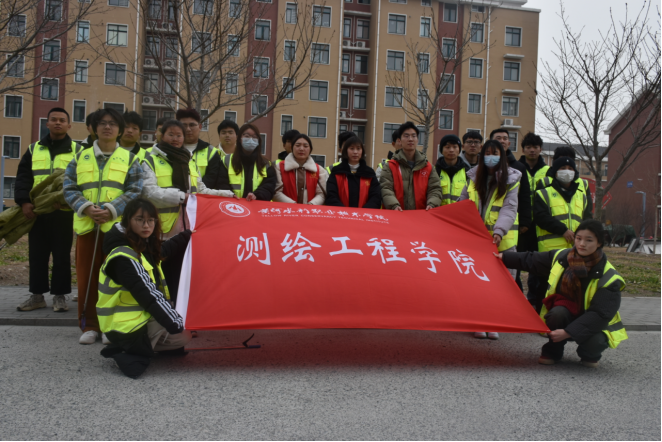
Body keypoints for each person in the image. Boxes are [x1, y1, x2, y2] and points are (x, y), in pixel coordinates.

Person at [497, 220, 628, 368]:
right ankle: (553, 351)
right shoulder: (562, 257)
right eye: (578, 238)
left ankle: (589, 354)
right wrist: (504, 257)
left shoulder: (610, 277)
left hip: (594, 322)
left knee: (596, 341)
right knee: (557, 313)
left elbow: (599, 315)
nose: (582, 244)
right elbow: (531, 259)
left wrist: (568, 332)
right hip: (566, 313)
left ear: (599, 243)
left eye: (589, 240)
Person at [63, 108, 144, 345]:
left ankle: (111, 326)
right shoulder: (80, 157)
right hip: (87, 227)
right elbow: (69, 187)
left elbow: (135, 189)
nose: (107, 127)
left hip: (116, 230)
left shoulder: (130, 159)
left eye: (113, 124)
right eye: (102, 123)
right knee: (87, 278)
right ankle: (90, 325)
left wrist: (110, 210)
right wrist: (87, 207)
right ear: (93, 128)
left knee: (115, 278)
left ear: (119, 130)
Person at [98, 198, 192, 379]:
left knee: (183, 337)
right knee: (180, 331)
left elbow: (162, 252)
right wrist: (175, 321)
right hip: (124, 325)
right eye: (140, 220)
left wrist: (187, 235)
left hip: (135, 319)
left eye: (151, 220)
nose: (146, 225)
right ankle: (130, 349)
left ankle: (137, 345)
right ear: (128, 220)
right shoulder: (123, 256)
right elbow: (149, 295)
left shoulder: (140, 244)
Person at [142, 119, 234, 302]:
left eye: (179, 135)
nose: (175, 139)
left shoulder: (189, 160)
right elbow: (149, 193)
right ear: (161, 135)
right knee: (162, 279)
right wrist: (181, 197)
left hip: (188, 230)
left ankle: (181, 313)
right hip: (162, 231)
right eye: (171, 134)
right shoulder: (150, 160)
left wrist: (227, 195)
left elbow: (200, 190)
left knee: (183, 278)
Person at [14, 107, 83, 313]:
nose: (57, 123)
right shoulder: (33, 149)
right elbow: (23, 177)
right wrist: (24, 202)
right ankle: (37, 296)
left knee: (61, 256)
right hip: (37, 212)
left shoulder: (78, 151)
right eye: (54, 119)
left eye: (62, 120)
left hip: (63, 213)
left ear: (69, 125)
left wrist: (68, 203)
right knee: (37, 255)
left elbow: (83, 180)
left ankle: (60, 296)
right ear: (47, 123)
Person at [459, 139, 521, 341]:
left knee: (500, 284)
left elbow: (509, 208)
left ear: (502, 156)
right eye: (487, 153)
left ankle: (493, 322)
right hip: (475, 241)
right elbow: (462, 204)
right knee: (476, 282)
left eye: (495, 153)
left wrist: (499, 231)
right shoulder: (472, 177)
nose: (491, 157)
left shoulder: (512, 179)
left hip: (501, 241)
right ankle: (478, 321)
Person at [490, 128, 532, 292]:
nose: (502, 141)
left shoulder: (519, 167)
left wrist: (525, 222)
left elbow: (525, 195)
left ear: (509, 143)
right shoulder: (485, 165)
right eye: (498, 138)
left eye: (505, 138)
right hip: (488, 228)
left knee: (512, 271)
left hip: (511, 228)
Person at [379, 122, 442, 211]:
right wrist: (394, 205)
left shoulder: (428, 167)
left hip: (421, 216)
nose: (410, 139)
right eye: (406, 136)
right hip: (396, 215)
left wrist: (432, 204)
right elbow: (386, 189)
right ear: (400, 140)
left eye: (413, 136)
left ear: (417, 140)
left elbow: (435, 189)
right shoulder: (390, 166)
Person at [519, 132, 550, 309]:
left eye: (535, 147)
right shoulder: (516, 168)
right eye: (528, 147)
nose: (532, 150)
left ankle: (534, 303)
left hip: (540, 226)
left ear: (540, 149)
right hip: (519, 226)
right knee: (516, 263)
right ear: (523, 149)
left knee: (537, 266)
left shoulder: (548, 172)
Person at [535, 157, 591, 253]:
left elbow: (587, 218)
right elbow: (541, 217)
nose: (567, 171)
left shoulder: (582, 196)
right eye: (563, 168)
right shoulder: (543, 193)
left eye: (570, 168)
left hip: (575, 250)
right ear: (555, 172)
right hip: (550, 251)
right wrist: (563, 230)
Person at [214, 123, 277, 201]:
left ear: (258, 141)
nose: (251, 140)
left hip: (258, 205)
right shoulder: (226, 161)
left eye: (254, 137)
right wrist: (231, 196)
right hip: (233, 204)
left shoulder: (267, 164)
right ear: (239, 139)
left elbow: (269, 187)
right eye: (247, 136)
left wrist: (256, 195)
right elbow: (221, 184)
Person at [325, 136, 382, 209]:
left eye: (358, 148)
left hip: (364, 214)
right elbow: (331, 197)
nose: (355, 152)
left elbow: (375, 198)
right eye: (352, 148)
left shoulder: (369, 173)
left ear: (362, 151)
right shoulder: (336, 172)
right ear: (346, 151)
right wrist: (345, 212)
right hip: (341, 214)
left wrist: (363, 212)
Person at [537, 146, 593, 215]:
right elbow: (539, 211)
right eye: (562, 160)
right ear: (555, 161)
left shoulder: (583, 183)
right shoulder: (545, 182)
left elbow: (588, 211)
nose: (566, 161)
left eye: (569, 159)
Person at [274, 134, 328, 205]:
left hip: (310, 211)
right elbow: (276, 192)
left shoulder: (319, 170)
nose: (301, 149)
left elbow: (322, 194)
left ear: (310, 149)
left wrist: (311, 205)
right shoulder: (279, 167)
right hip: (286, 210)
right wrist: (294, 206)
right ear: (292, 148)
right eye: (297, 145)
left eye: (305, 146)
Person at [176, 108, 220, 186]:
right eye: (184, 125)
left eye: (192, 125)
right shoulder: (172, 150)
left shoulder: (211, 152)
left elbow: (212, 179)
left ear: (200, 127)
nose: (188, 129)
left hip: (202, 193)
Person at [435, 134, 470, 206]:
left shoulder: (467, 171)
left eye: (455, 147)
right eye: (447, 147)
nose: (451, 150)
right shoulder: (435, 171)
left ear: (459, 149)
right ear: (441, 150)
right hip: (439, 211)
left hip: (459, 211)